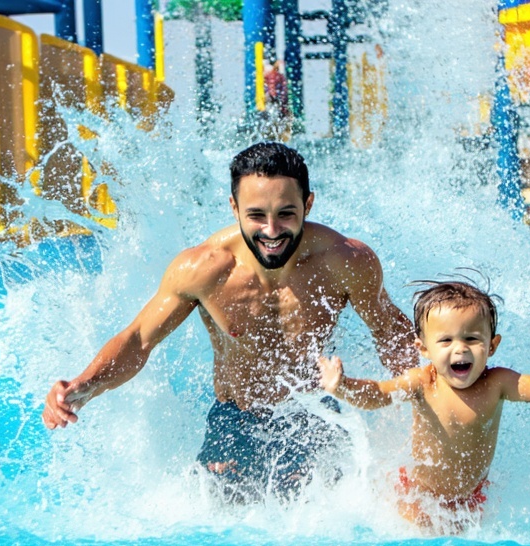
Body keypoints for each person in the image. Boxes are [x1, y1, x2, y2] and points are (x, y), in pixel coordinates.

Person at [42, 142, 417, 502]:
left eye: (286, 213)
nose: (271, 231)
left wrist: (425, 402)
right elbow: (139, 339)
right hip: (235, 418)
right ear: (234, 207)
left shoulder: (344, 261)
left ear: (308, 204)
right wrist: (86, 384)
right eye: (256, 215)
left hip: (313, 411)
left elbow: (389, 332)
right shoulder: (204, 268)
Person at [317, 280, 530, 532]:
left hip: (471, 497)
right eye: (446, 340)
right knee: (422, 543)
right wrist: (343, 386)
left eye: (472, 339)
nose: (460, 349)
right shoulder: (423, 382)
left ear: (492, 346)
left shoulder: (496, 382)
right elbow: (378, 394)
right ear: (424, 349)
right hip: (419, 495)